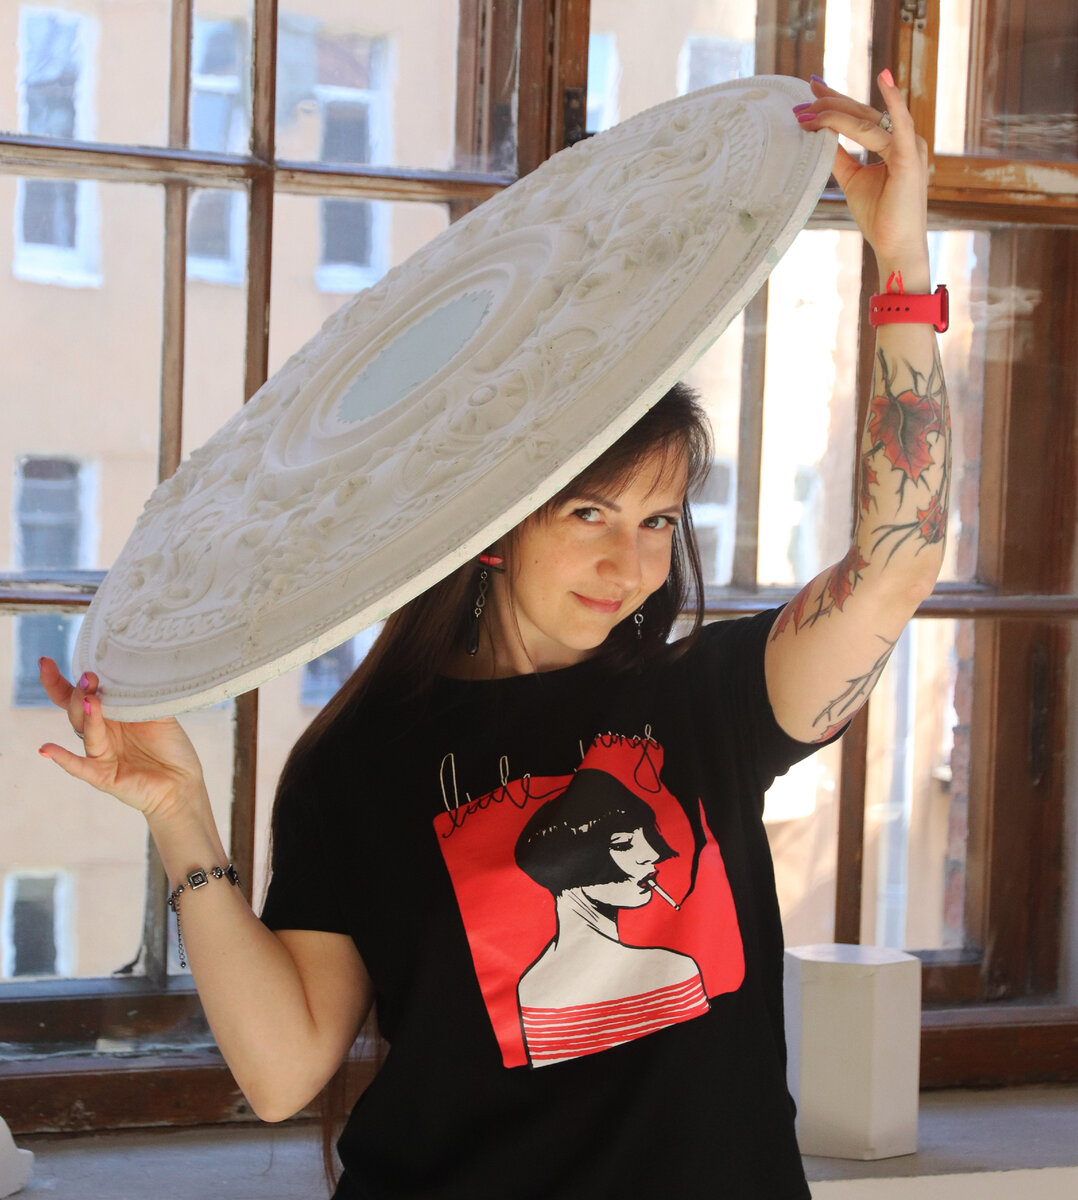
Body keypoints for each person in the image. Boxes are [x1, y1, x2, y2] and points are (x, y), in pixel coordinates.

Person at [37, 72, 948, 1199]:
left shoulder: (709, 701)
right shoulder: (356, 764)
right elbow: (283, 1072)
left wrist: (902, 264)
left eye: (658, 521)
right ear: (494, 523)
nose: (631, 566)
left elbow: (897, 561)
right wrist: (178, 814)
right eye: (589, 515)